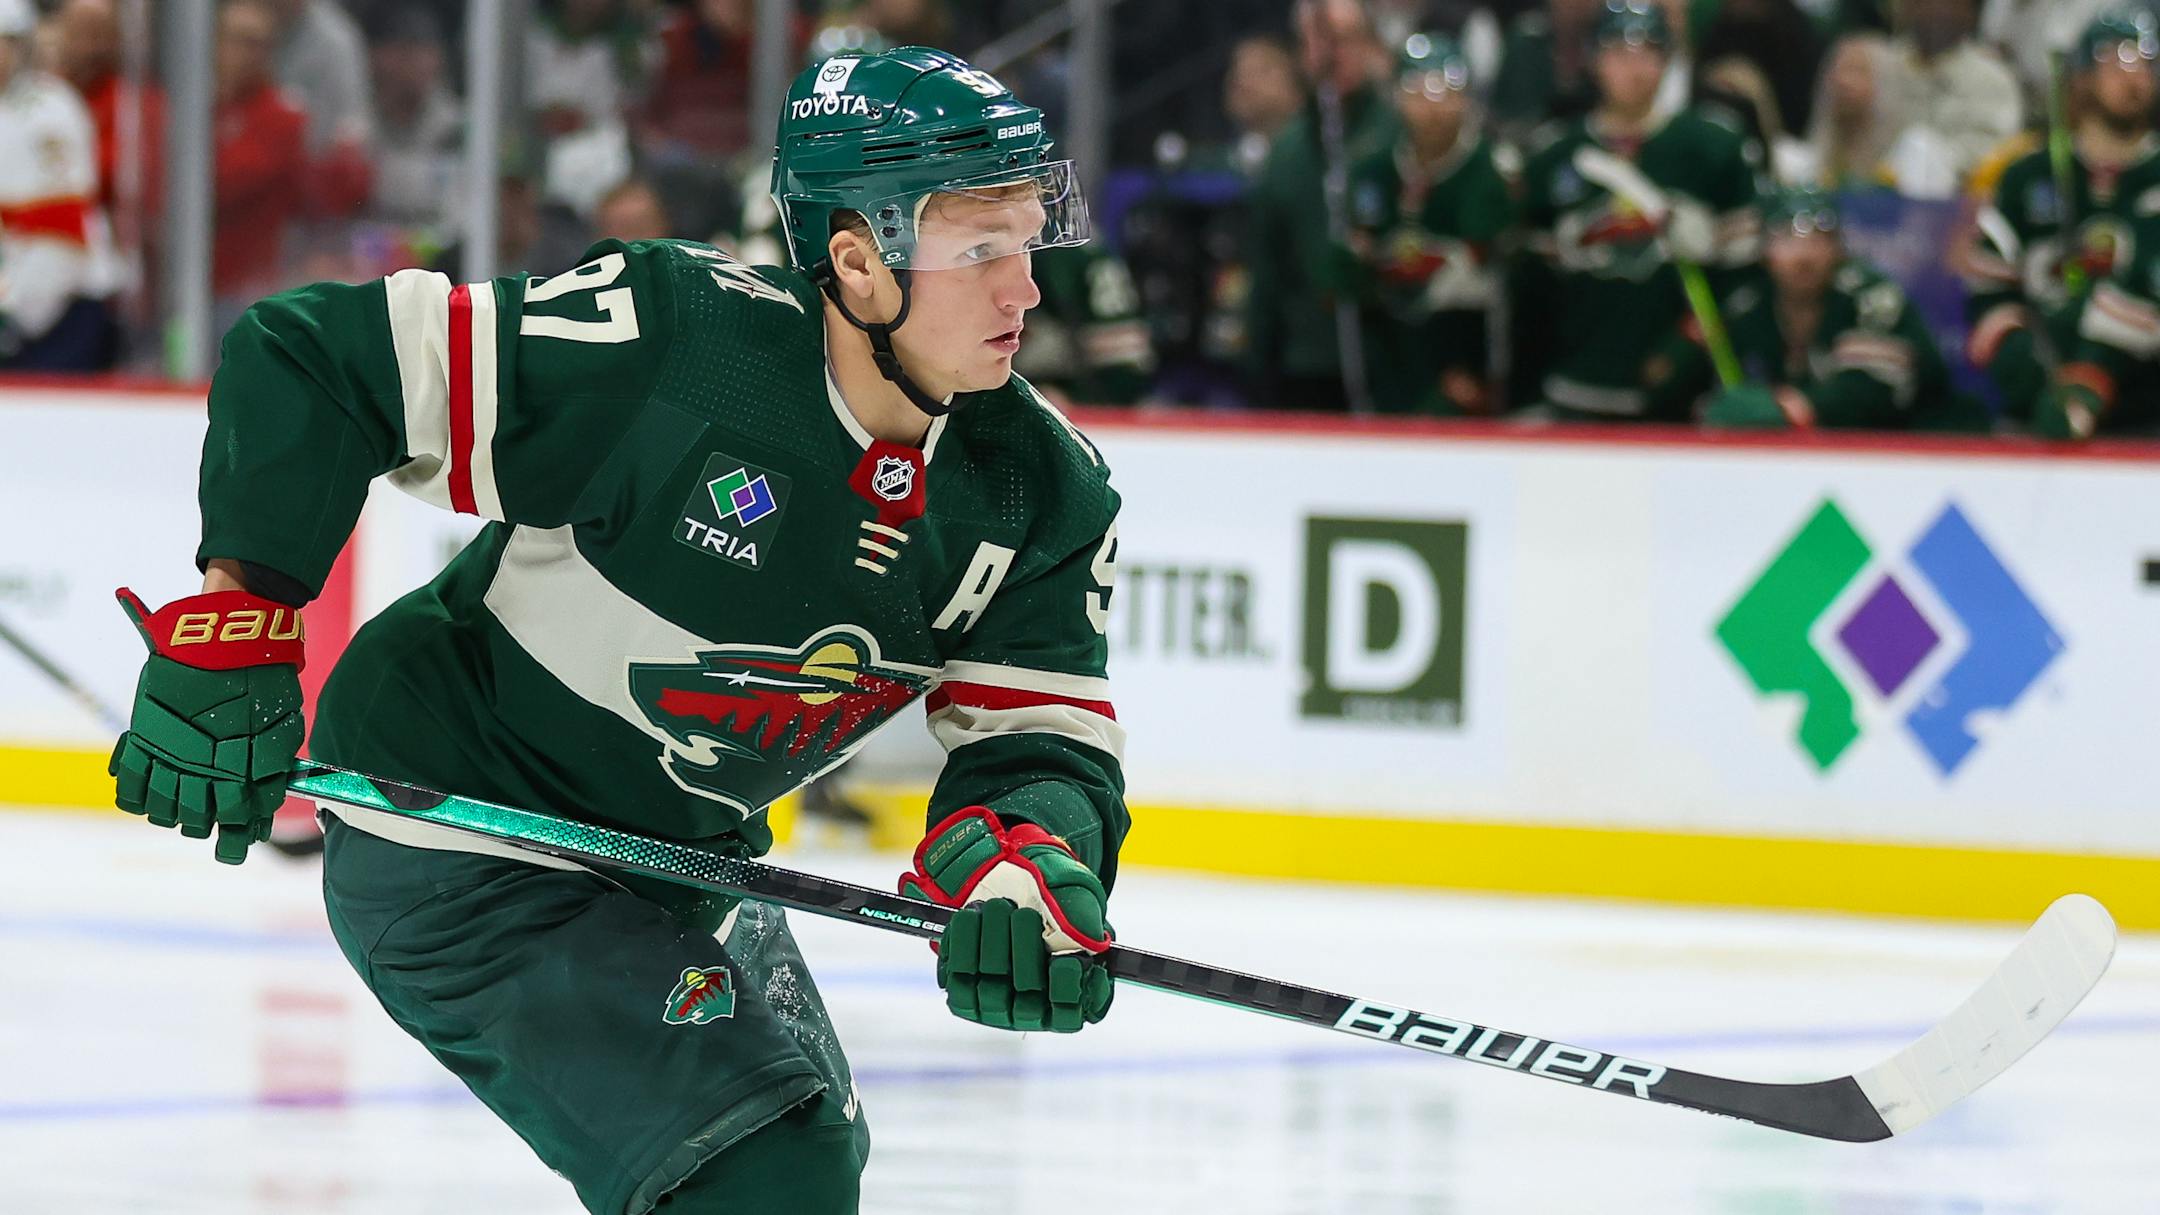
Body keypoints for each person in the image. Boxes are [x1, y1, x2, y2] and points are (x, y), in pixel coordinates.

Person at [107, 47, 1125, 1214]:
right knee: (761, 1170)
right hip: (459, 837)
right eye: (980, 248)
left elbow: (1036, 742)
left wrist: (1027, 865)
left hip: (680, 859)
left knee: (804, 1170)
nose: (1026, 290)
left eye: (1027, 240)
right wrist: (241, 613)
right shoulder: (678, 344)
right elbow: (315, 359)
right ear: (857, 260)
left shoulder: (1042, 492)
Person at [1515, 1, 1759, 421]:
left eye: (1649, 52)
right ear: (1594, 59)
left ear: (1668, 61)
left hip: (1680, 398)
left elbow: (1745, 279)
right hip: (1575, 389)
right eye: (1620, 52)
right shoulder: (1552, 157)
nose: (1635, 68)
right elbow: (1533, 291)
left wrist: (1687, 346)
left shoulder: (1713, 148)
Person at [1962, 9, 2160, 427]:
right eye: (2118, 62)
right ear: (2082, 76)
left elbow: (2146, 293)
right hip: (2041, 403)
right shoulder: (2026, 177)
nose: (2135, 77)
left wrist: (2088, 382)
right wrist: (2034, 381)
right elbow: (1988, 291)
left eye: (2147, 64)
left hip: (2145, 413)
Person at [1650, 186, 1949, 428]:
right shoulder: (1747, 304)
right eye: (1786, 240)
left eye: (1819, 240)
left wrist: (1790, 407)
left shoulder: (1871, 297)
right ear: (1765, 251)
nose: (1803, 256)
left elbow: (1869, 394)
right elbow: (1661, 382)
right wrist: (1691, 345)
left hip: (1910, 454)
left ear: (1839, 249)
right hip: (1794, 464)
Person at [1339, 32, 1515, 414]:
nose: (1432, 107)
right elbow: (1354, 271)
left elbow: (1500, 274)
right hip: (1391, 361)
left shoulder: (1490, 172)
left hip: (1463, 363)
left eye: (1445, 92)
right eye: (1418, 92)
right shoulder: (1374, 172)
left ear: (1466, 99)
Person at [1245, 0, 1402, 410]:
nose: (1332, 53)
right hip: (1305, 365)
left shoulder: (1398, 134)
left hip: (1391, 362)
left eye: (1345, 39)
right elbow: (1267, 272)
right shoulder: (1288, 151)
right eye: (1319, 39)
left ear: (1370, 46)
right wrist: (1257, 366)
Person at [0, 0, 110, 370]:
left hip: (61, 315)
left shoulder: (52, 111)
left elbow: (59, 231)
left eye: (5, 41)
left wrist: (18, 314)